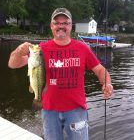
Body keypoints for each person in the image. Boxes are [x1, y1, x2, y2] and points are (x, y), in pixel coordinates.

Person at [8, 8, 113, 140]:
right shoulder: (40, 50)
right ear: (51, 26)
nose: (61, 26)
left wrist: (107, 83)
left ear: (71, 25)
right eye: (57, 23)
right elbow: (12, 64)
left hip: (76, 110)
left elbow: (100, 70)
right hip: (49, 110)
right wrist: (18, 51)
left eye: (65, 23)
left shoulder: (82, 48)